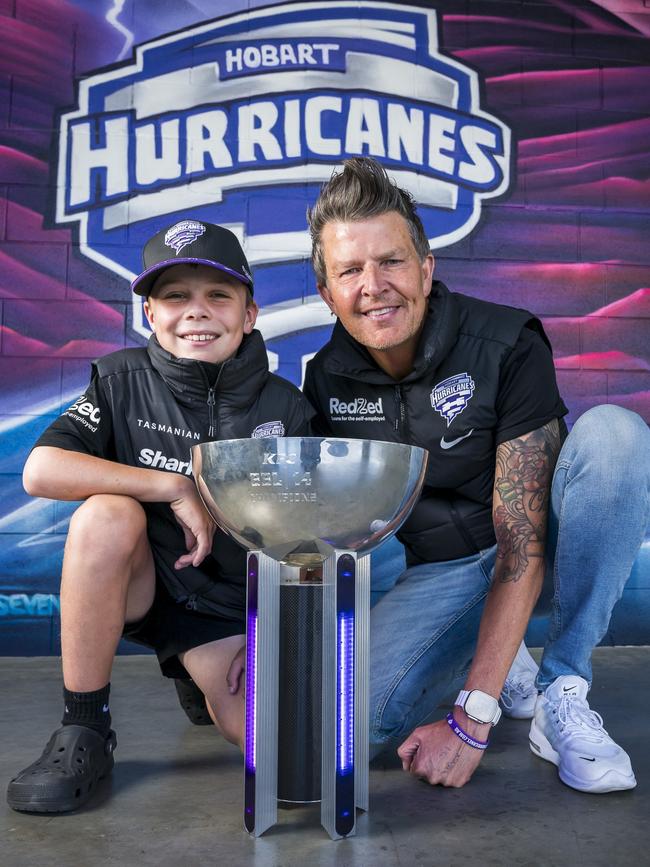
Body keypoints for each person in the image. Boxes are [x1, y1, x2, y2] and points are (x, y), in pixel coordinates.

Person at [303, 157, 650, 794]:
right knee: (342, 730)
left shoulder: (504, 341)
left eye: (392, 261)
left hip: (544, 551)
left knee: (615, 437)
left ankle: (561, 690)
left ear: (427, 269)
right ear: (328, 293)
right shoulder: (327, 376)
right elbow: (329, 530)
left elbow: (523, 540)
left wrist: (470, 721)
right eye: (350, 270)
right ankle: (500, 655)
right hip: (444, 573)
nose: (373, 284)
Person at [7, 220, 314, 813]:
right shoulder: (120, 381)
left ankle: (194, 679)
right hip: (141, 582)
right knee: (106, 513)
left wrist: (271, 634)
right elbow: (40, 470)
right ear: (150, 313)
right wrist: (171, 485)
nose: (196, 312)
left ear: (249, 314)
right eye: (176, 296)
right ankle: (85, 730)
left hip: (221, 604)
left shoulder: (286, 407)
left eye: (217, 296)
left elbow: (300, 538)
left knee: (281, 751)